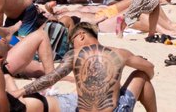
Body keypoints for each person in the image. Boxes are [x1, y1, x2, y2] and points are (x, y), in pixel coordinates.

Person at [16, 20, 157, 112]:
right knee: (141, 75)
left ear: (81, 35)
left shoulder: (74, 54)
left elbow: (51, 78)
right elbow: (150, 68)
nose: (73, 46)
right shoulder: (120, 53)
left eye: (72, 42)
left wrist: (22, 91)